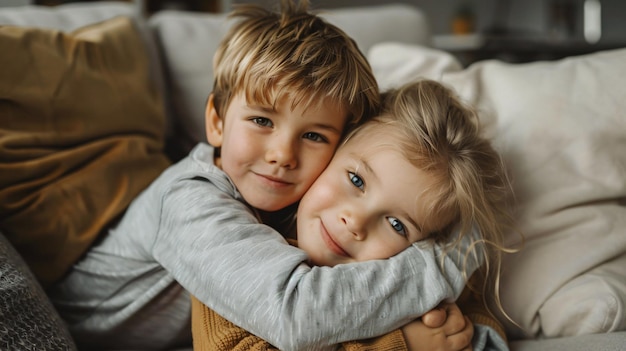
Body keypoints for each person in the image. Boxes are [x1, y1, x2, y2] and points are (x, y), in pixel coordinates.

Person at [48, 2, 485, 350]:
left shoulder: (304, 204)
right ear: (217, 122)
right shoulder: (191, 203)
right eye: (261, 120)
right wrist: (445, 264)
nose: (282, 155)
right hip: (76, 330)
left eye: (313, 135)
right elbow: (294, 312)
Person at [190, 79, 513, 351]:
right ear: (330, 152)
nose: (356, 222)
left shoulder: (405, 271)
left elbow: (474, 313)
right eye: (356, 180)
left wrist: (462, 328)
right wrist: (397, 343)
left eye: (397, 225)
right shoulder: (242, 241)